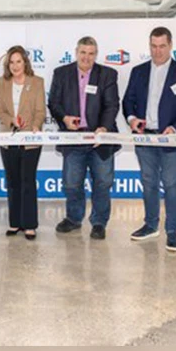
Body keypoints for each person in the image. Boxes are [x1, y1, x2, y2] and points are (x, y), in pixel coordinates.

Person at [122, 26, 176, 251]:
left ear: (170, 46)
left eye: (162, 46)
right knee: (148, 183)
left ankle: (172, 231)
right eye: (153, 46)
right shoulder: (138, 72)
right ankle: (150, 225)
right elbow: (128, 101)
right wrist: (132, 119)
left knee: (172, 185)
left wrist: (175, 128)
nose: (157, 51)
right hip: (145, 138)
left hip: (171, 140)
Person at [49, 36, 121, 240]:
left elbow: (112, 105)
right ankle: (73, 218)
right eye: (83, 52)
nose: (86, 57)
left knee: (103, 183)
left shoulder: (107, 74)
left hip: (100, 139)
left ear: (96, 54)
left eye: (91, 53)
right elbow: (53, 103)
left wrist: (104, 128)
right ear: (76, 52)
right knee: (71, 183)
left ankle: (99, 222)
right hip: (73, 138)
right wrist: (64, 118)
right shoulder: (61, 73)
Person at [0, 46, 47, 240]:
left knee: (28, 181)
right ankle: (15, 223)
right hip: (8, 138)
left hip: (31, 139)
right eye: (11, 62)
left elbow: (41, 111)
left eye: (18, 61)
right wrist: (10, 120)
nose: (15, 66)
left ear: (25, 62)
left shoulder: (37, 82)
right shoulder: (2, 82)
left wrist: (36, 125)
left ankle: (30, 224)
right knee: (13, 181)